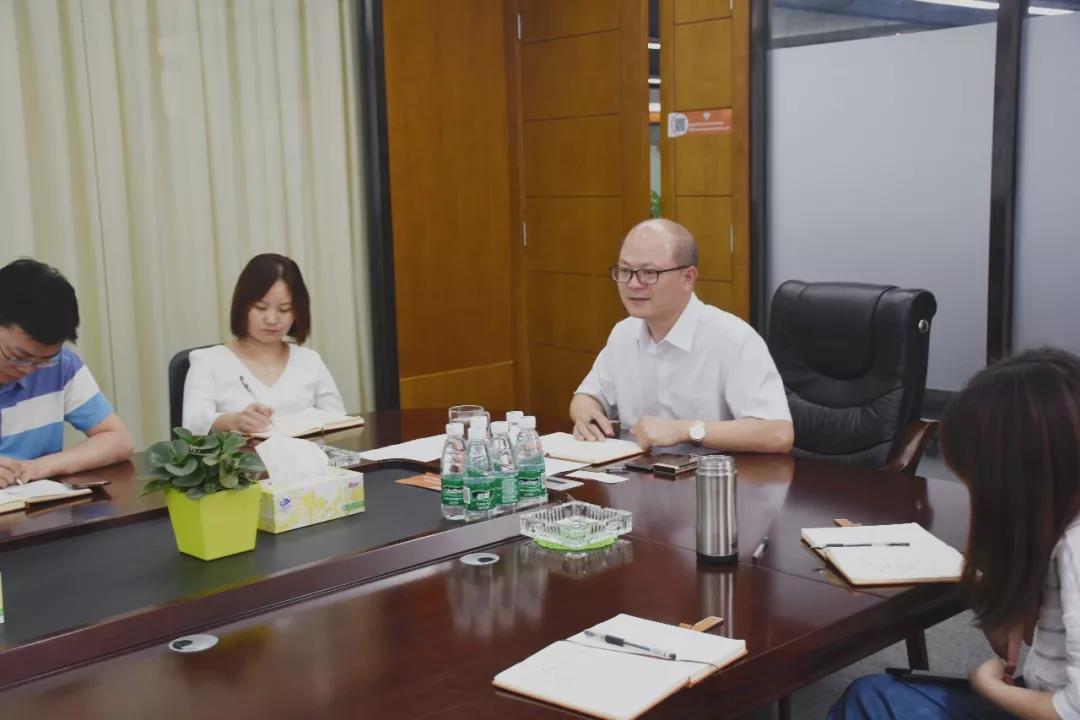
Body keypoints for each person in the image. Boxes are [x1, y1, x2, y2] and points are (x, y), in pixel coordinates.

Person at [827, 347, 1080, 720]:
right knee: (875, 692)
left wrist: (988, 685)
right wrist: (1009, 599)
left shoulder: (1076, 549)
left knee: (873, 702)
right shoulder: (1064, 529)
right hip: (1043, 689)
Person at [569, 219, 793, 453]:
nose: (633, 284)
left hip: (709, 473)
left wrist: (686, 430)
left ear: (688, 278)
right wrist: (588, 416)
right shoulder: (624, 333)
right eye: (625, 271)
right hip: (637, 471)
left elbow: (778, 433)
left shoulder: (733, 339)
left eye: (649, 273)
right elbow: (586, 396)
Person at [0, 259, 134, 487]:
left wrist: (36, 467)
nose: (28, 369)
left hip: (34, 506)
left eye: (43, 360)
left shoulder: (61, 365)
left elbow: (118, 439)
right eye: (18, 356)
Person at [182, 253, 346, 435]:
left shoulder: (309, 360)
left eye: (284, 309)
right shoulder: (208, 361)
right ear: (242, 306)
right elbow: (192, 425)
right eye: (260, 307)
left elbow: (339, 422)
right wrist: (234, 421)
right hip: (242, 454)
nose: (272, 319)